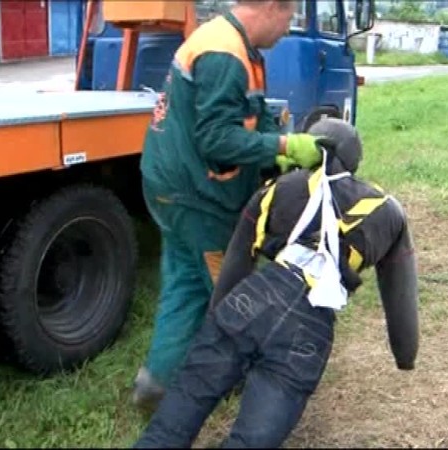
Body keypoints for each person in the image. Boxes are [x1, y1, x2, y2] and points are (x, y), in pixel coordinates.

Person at [132, 118, 420, 448]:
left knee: (176, 416)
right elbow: (400, 293)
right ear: (355, 158)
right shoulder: (388, 211)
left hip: (253, 298)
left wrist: (219, 320)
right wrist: (405, 354)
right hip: (311, 324)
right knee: (251, 441)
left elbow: (237, 262)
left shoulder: (274, 191)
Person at [134, 0, 329, 409]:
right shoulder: (224, 53)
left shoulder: (236, 45)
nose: (288, 29)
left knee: (186, 284)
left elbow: (250, 114)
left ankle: (157, 382)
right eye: (289, 17)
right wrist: (285, 145)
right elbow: (215, 138)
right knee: (236, 291)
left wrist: (274, 150)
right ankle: (257, 382)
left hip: (171, 186)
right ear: (272, 7)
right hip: (196, 197)